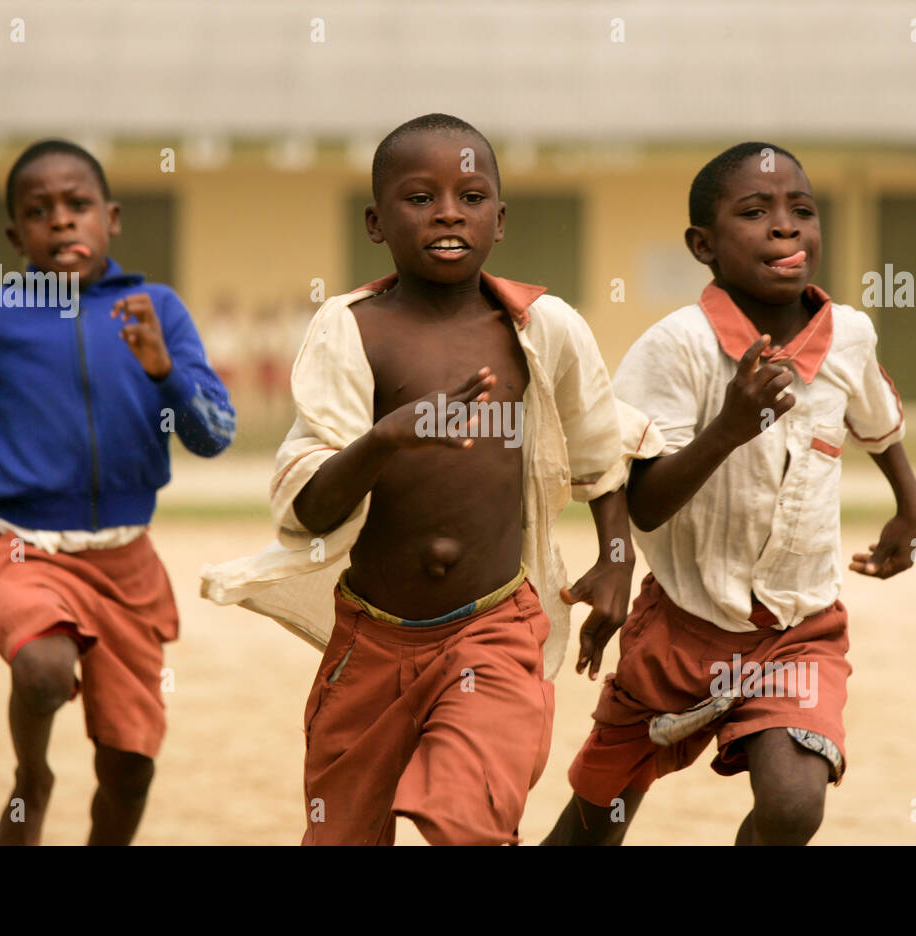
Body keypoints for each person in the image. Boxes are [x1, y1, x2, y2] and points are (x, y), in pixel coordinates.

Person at [201, 113, 661, 845]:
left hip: (493, 631)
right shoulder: (350, 330)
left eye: (471, 196)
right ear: (376, 222)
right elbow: (312, 510)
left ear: (500, 220)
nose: (448, 211)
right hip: (371, 641)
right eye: (420, 198)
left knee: (464, 822)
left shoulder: (543, 330)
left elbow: (603, 450)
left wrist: (614, 558)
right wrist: (389, 435)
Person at [544, 142, 916, 846]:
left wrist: (911, 503)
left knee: (792, 806)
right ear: (704, 245)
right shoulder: (676, 348)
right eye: (755, 212)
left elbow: (876, 419)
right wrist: (729, 427)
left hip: (799, 628)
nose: (786, 228)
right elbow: (645, 501)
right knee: (599, 818)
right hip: (683, 625)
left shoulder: (847, 336)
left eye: (802, 211)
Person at [0, 139, 236, 845]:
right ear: (16, 234)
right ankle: (32, 778)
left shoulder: (157, 311)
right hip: (27, 549)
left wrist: (166, 373)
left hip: (128, 564)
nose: (61, 221)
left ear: (109, 217)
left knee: (130, 770)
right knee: (43, 670)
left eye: (78, 205)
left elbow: (214, 434)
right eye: (39, 211)